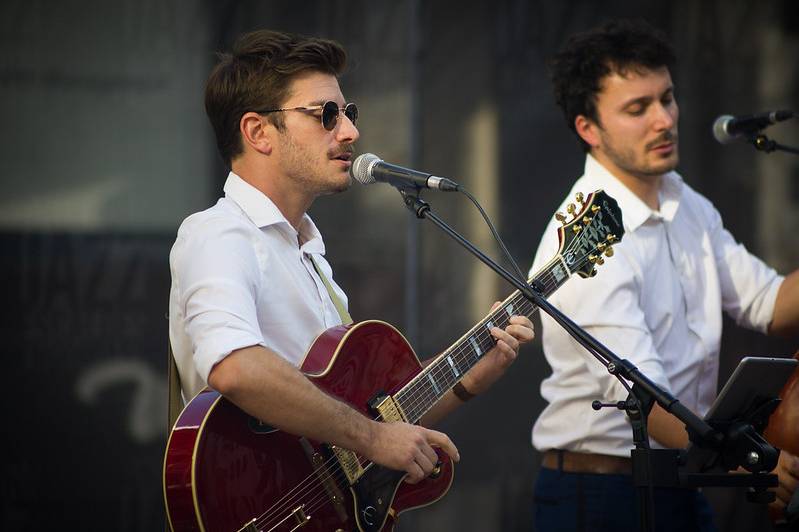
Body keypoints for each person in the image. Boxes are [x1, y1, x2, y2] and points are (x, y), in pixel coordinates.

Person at [168, 29, 534, 491]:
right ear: (258, 131)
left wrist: (466, 379)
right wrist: (373, 438)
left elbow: (370, 419)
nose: (351, 131)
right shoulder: (219, 234)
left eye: (348, 112)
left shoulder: (307, 251)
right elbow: (234, 366)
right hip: (254, 500)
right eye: (325, 115)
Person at [528, 19, 799, 531]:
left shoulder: (684, 199)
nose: (664, 120)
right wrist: (752, 459)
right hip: (601, 491)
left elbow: (769, 302)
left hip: (680, 473)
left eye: (667, 99)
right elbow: (644, 395)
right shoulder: (584, 230)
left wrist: (737, 458)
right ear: (588, 128)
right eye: (638, 108)